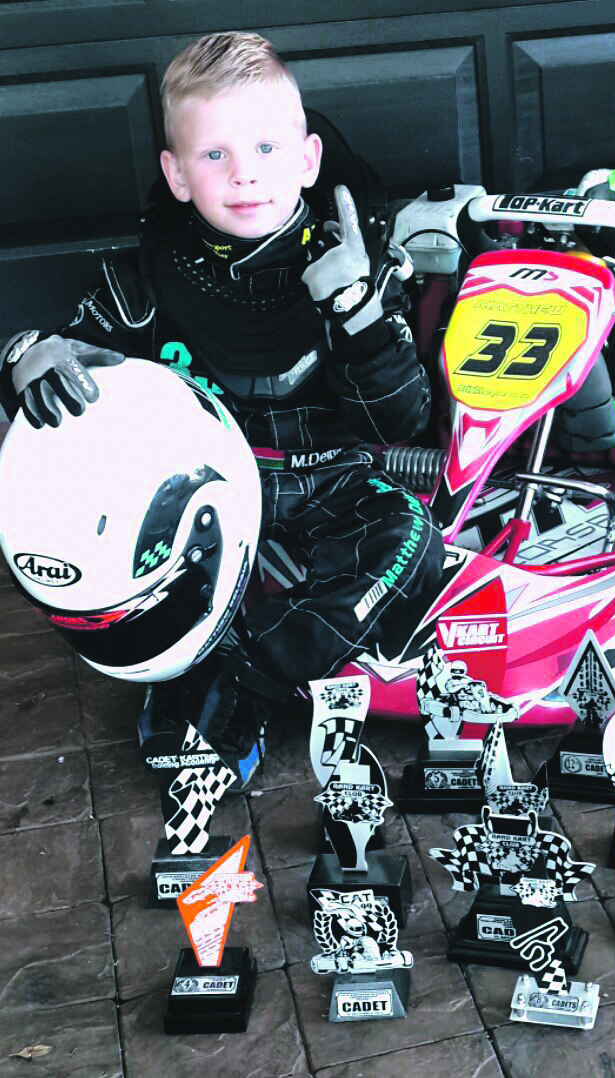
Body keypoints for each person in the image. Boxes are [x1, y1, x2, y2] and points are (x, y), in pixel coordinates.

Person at [0, 31, 445, 784]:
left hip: (331, 481)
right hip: (194, 504)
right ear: (177, 176)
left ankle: (242, 672)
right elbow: (61, 361)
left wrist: (358, 316)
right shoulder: (140, 283)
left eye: (267, 150)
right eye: (215, 156)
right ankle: (208, 656)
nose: (245, 176)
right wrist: (23, 357)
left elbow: (400, 424)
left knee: (410, 539)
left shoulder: (362, 265)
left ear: (307, 159)